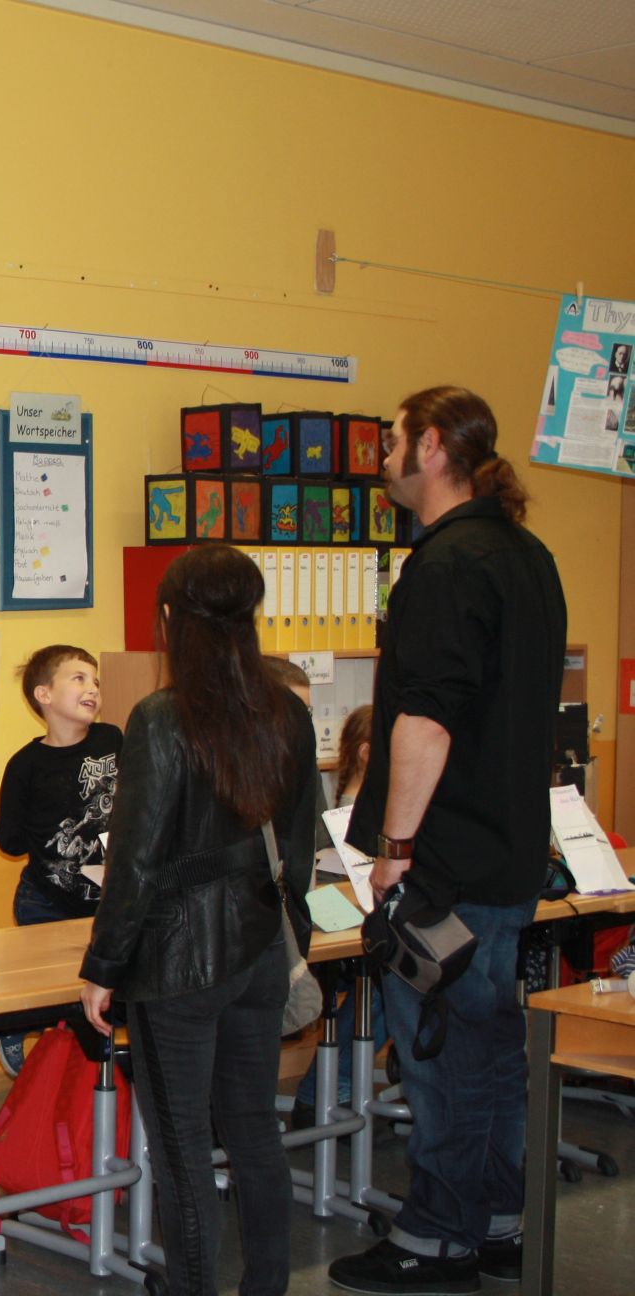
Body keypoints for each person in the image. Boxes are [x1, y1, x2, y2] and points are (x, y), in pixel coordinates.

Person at [330, 387, 566, 1294]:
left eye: (392, 441)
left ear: (430, 447)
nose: (383, 458)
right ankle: (499, 1216)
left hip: (447, 863)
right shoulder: (526, 554)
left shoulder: (445, 564)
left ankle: (438, 1235)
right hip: (509, 852)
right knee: (494, 1049)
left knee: (441, 1052)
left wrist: (396, 846)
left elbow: (426, 721)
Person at [79, 544, 317, 1296]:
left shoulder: (161, 719)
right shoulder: (289, 712)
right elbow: (299, 848)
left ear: (170, 619)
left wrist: (103, 967)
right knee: (255, 1134)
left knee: (183, 1153)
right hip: (260, 951)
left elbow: (137, 859)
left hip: (178, 966)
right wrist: (290, 942)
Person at [0, 645, 121, 1074]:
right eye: (79, 678)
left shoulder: (113, 740)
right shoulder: (25, 766)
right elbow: (8, 841)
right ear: (44, 695)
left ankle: (23, 1033)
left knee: (86, 994)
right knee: (37, 990)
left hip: (105, 904)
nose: (92, 688)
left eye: (96, 681)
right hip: (45, 901)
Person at [289, 702, 386, 1127]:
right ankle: (326, 1090)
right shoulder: (346, 810)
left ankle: (331, 1089)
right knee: (388, 983)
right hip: (302, 929)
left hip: (338, 920)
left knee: (394, 977)